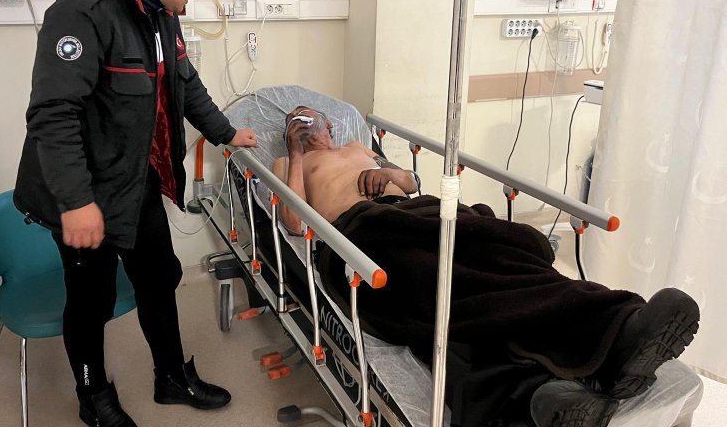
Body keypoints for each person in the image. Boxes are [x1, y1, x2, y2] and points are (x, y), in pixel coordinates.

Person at [272, 106, 700, 427]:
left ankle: (614, 338)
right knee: (438, 283)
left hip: (420, 213)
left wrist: (389, 176)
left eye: (313, 121)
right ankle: (574, 370)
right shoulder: (289, 164)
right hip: (360, 235)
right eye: (298, 123)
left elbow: (411, 182)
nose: (307, 128)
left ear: (331, 126)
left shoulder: (359, 148)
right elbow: (293, 222)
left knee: (505, 260)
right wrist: (294, 153)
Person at [14, 0, 257, 427]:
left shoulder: (162, 16)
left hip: (136, 179)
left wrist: (226, 133)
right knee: (91, 299)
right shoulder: (83, 14)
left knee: (159, 277)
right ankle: (93, 395)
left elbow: (185, 83)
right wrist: (77, 203)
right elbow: (53, 116)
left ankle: (171, 376)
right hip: (86, 190)